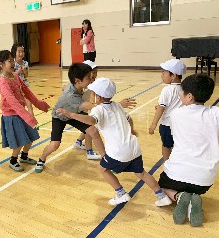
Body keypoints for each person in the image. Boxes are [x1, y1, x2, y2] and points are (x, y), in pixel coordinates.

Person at [57, 78, 172, 207]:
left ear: (98, 97)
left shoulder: (98, 110)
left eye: (92, 93)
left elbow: (91, 121)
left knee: (102, 168)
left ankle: (121, 194)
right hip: (134, 147)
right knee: (141, 173)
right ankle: (161, 196)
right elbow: (129, 118)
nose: (90, 95)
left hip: (119, 151)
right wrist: (132, 130)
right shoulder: (117, 105)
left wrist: (71, 115)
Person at [158, 74, 219, 227]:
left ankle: (179, 196)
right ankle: (191, 198)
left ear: (189, 96)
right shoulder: (217, 114)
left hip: (175, 175)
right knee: (195, 184)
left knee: (160, 186)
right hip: (204, 181)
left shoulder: (175, 114)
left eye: (181, 92)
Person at [34, 63, 104, 173]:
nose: (91, 80)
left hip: (73, 113)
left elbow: (64, 87)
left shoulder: (75, 85)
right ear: (77, 80)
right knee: (54, 145)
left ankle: (106, 160)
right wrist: (112, 106)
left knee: (93, 131)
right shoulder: (72, 96)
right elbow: (90, 107)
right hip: (60, 116)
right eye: (88, 78)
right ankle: (41, 159)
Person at [0, 50, 50, 172]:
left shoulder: (15, 76)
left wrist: (39, 104)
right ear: (1, 64)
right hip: (11, 115)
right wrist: (28, 117)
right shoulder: (2, 82)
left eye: (13, 60)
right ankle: (13, 160)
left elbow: (27, 92)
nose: (13, 63)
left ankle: (24, 156)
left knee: (31, 135)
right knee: (19, 141)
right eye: (9, 61)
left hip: (20, 112)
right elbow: (12, 101)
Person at [149, 59, 186, 161]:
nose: (162, 75)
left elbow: (161, 108)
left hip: (167, 125)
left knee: (166, 146)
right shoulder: (185, 88)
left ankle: (167, 165)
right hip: (181, 125)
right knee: (178, 146)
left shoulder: (167, 90)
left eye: (164, 73)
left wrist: (153, 124)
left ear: (173, 76)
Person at [11, 43, 33, 116]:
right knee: (20, 105)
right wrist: (19, 71)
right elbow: (11, 76)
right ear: (15, 52)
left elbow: (26, 76)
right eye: (19, 52)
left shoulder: (25, 63)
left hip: (24, 85)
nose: (21, 54)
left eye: (22, 52)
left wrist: (24, 71)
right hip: (15, 87)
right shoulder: (11, 63)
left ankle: (33, 122)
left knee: (29, 104)